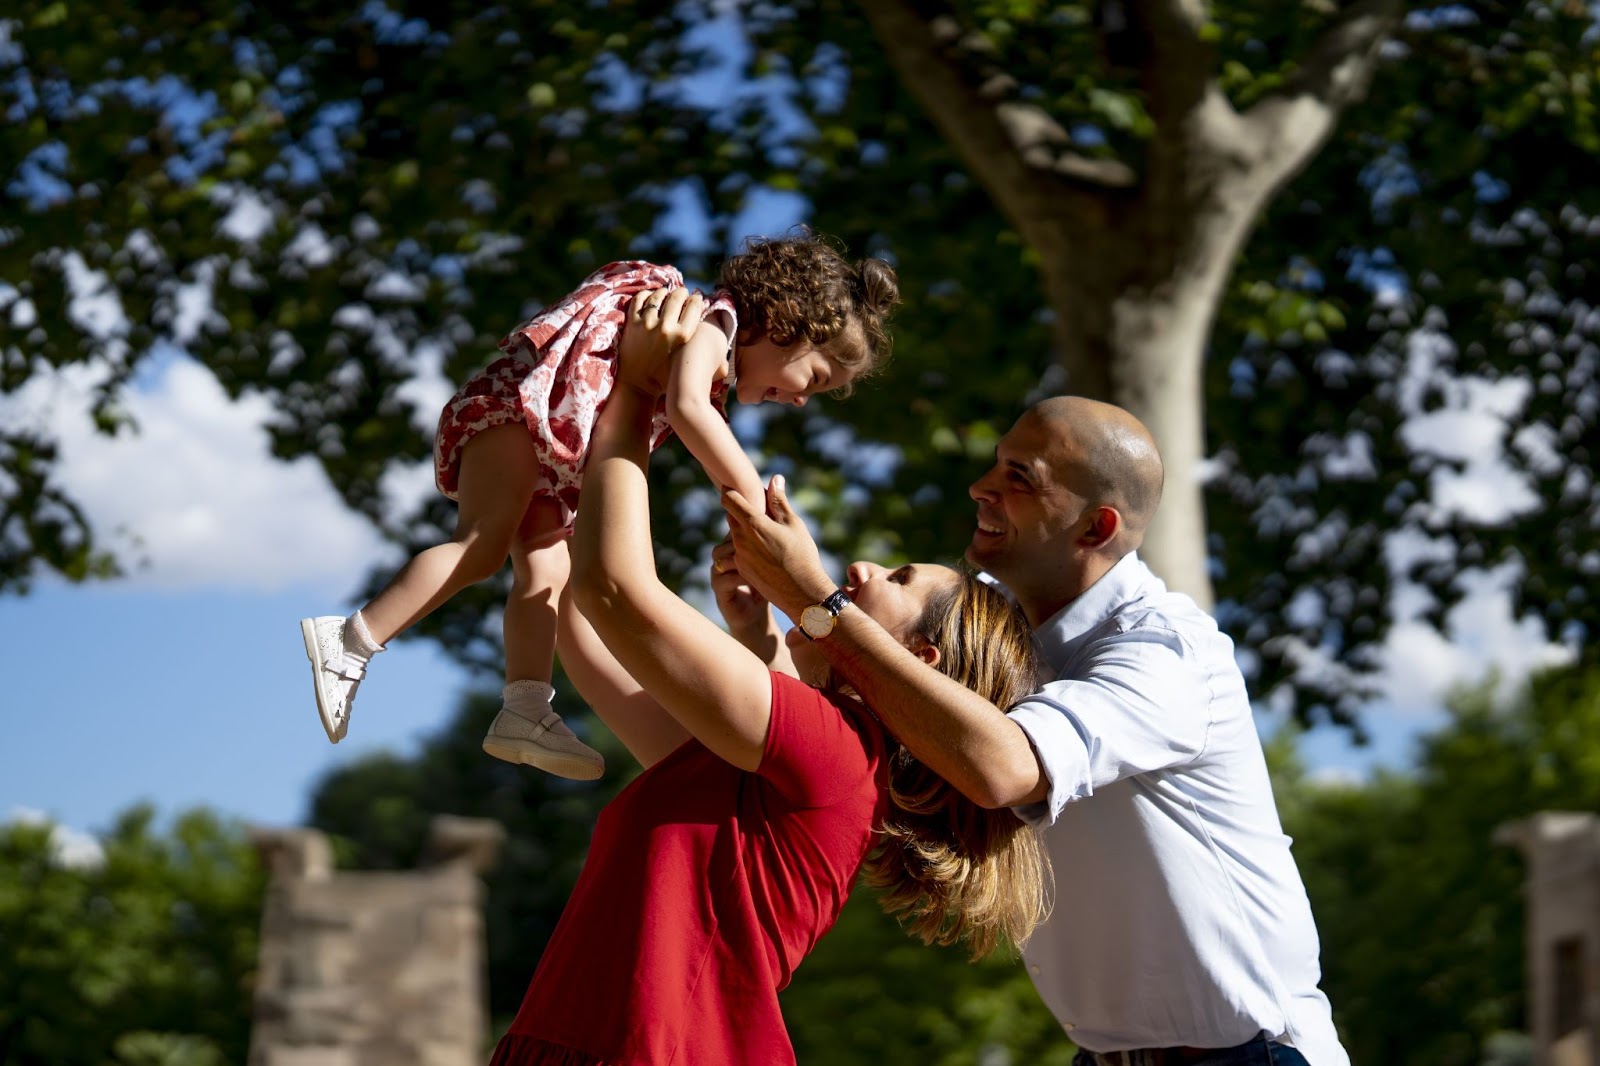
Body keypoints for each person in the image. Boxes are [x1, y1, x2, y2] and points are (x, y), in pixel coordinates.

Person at [721, 396, 1351, 1066]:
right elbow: (819, 715)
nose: (980, 487)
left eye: (1019, 477)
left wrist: (814, 600)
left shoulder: (1165, 651)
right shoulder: (996, 635)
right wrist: (762, 627)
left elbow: (1006, 769)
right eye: (996, 464)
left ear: (1095, 527)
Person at [486, 317, 1050, 1065]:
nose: (863, 570)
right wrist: (542, 532)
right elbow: (595, 643)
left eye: (899, 579)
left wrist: (633, 393)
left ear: (918, 658)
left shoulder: (842, 753)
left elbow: (616, 592)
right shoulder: (797, 760)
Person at [298, 233, 898, 781]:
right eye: (815, 379)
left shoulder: (711, 347)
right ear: (789, 324)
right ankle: (353, 638)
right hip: (519, 414)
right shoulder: (714, 324)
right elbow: (688, 409)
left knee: (547, 576)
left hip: (548, 447)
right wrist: (751, 500)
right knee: (481, 546)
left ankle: (525, 707)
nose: (802, 401)